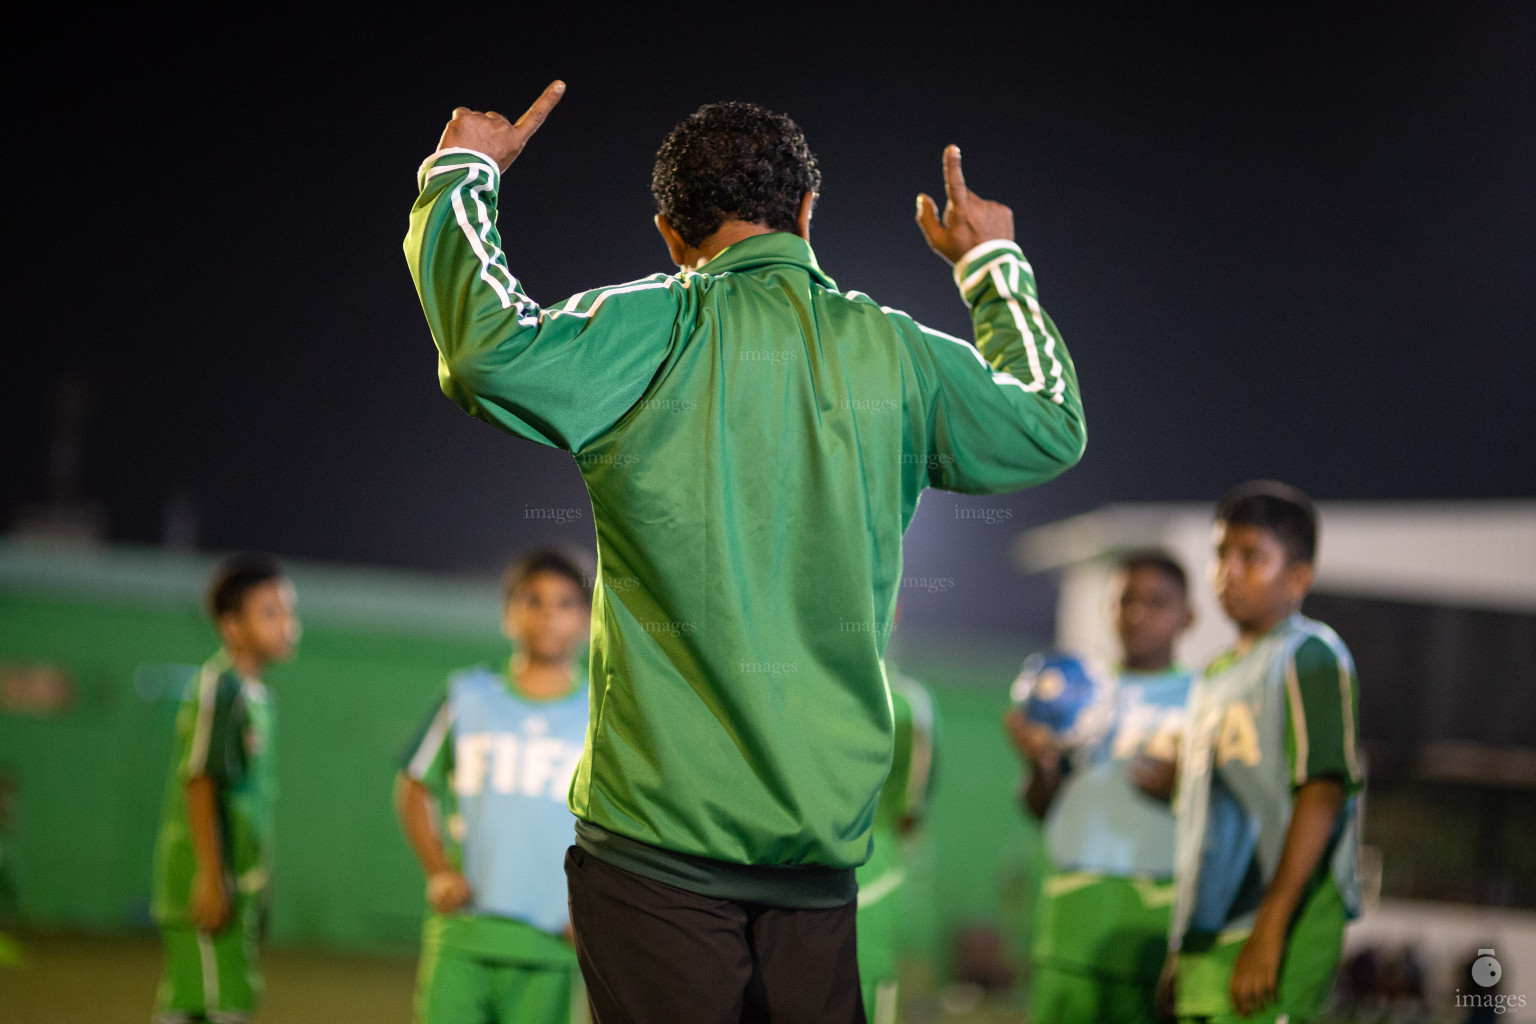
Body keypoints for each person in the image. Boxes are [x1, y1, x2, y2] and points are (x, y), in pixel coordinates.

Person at [404, 82, 1086, 1022]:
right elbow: (1050, 423)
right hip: (816, 861)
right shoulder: (896, 356)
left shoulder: (646, 329)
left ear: (669, 234)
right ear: (808, 213)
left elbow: (486, 350)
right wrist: (992, 265)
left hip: (650, 852)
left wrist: (461, 176)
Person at [1162, 482, 1363, 1024]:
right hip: (1209, 931)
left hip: (1276, 924)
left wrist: (1270, 929)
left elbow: (1322, 789)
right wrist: (1180, 944)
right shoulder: (1213, 676)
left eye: (1252, 557)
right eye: (1221, 553)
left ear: (1298, 576)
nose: (1229, 570)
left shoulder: (1310, 655)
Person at [396, 550, 592, 1024]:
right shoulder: (469, 695)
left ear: (587, 621)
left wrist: (594, 909)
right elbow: (413, 784)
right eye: (534, 600)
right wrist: (439, 871)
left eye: (565, 603)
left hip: (554, 943)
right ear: (508, 614)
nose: (549, 614)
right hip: (465, 933)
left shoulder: (601, 713)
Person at [1006, 551, 1195, 1024]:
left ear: (1188, 616)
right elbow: (1038, 807)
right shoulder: (1076, 690)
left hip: (1149, 925)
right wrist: (1039, 767)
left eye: (1157, 602)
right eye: (1126, 600)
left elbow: (1229, 812)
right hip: (1070, 921)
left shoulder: (1204, 698)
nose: (1138, 615)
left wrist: (1183, 789)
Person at [151, 554, 299, 1024]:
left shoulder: (259, 698)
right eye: (270, 612)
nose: (287, 625)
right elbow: (200, 781)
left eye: (289, 611)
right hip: (209, 882)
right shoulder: (221, 688)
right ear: (232, 626)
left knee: (194, 1002)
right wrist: (212, 878)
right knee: (224, 1005)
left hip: (238, 882)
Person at [855, 665, 938, 1024]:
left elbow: (910, 811)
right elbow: (910, 814)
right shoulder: (904, 702)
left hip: (860, 879)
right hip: (871, 871)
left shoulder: (906, 704)